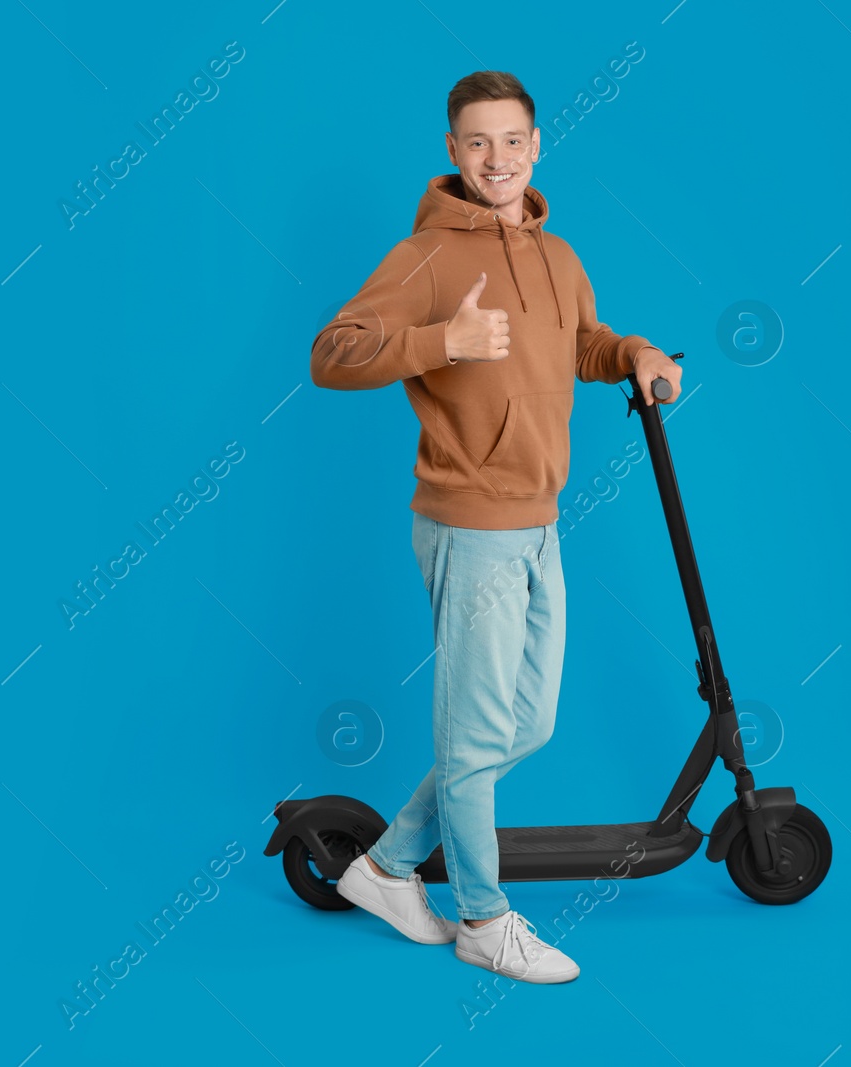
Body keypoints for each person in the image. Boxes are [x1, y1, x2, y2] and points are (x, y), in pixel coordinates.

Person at [309, 70, 681, 984]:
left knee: (527, 723)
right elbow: (333, 353)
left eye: (512, 140)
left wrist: (634, 354)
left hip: (541, 521)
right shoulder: (428, 257)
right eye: (477, 142)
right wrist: (445, 343)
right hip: (469, 524)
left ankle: (391, 869)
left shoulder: (558, 257)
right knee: (475, 738)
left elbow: (582, 343)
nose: (497, 159)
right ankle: (483, 917)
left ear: (537, 144)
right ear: (452, 151)